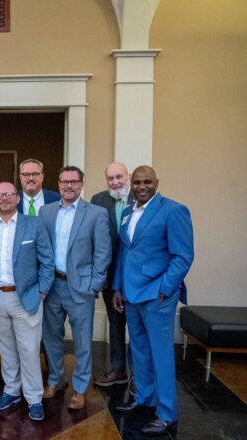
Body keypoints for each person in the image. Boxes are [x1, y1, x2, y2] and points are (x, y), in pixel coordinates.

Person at [113, 165, 194, 435]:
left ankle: (167, 413)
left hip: (158, 293)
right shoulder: (128, 212)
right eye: (137, 182)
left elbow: (183, 256)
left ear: (157, 182)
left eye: (148, 181)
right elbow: (125, 253)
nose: (142, 186)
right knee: (140, 350)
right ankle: (144, 399)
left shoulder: (173, 210)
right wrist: (117, 288)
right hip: (131, 292)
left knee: (161, 354)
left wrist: (165, 287)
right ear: (131, 185)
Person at [0, 182, 54, 422]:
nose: (5, 198)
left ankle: (34, 398)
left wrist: (41, 292)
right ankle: (11, 390)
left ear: (17, 199)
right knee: (6, 350)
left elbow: (47, 261)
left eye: (9, 194)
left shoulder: (34, 224)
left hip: (26, 297)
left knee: (29, 350)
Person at [39, 165, 111, 410]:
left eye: (73, 181)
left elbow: (103, 252)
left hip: (81, 287)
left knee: (81, 341)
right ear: (58, 184)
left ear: (81, 184)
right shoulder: (45, 211)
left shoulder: (96, 213)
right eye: (64, 181)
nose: (68, 186)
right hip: (52, 286)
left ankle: (80, 388)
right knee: (51, 338)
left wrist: (94, 285)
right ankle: (55, 380)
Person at [90, 162, 135, 390]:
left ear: (128, 176)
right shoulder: (98, 200)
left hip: (136, 278)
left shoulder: (142, 197)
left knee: (138, 328)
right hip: (109, 276)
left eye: (119, 177)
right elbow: (94, 240)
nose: (115, 182)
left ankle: (139, 377)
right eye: (110, 178)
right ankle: (118, 369)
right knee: (115, 324)